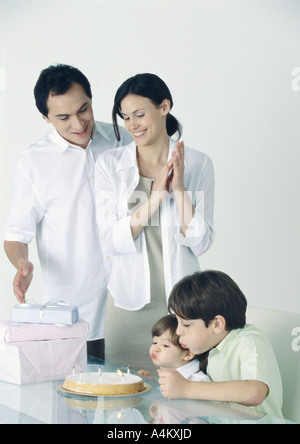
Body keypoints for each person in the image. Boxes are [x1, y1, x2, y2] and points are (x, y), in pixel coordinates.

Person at [3, 64, 132, 359]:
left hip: (129, 306)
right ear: (46, 118)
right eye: (63, 117)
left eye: (83, 109)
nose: (78, 123)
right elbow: (15, 235)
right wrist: (22, 263)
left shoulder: (123, 139)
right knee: (74, 401)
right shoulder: (33, 163)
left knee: (137, 398)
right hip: (73, 316)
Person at [95, 73, 215, 369]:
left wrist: (179, 190)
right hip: (128, 307)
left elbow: (201, 242)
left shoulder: (198, 163)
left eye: (140, 114)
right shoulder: (110, 165)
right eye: (125, 117)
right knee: (122, 405)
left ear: (164, 107)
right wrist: (156, 198)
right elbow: (110, 240)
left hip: (183, 311)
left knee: (181, 405)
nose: (132, 125)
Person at [158, 270, 283, 418]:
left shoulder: (249, 341)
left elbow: (254, 392)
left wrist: (187, 388)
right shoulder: (209, 345)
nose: (178, 331)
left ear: (217, 324)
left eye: (185, 324)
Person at [138, 315, 210, 383]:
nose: (155, 348)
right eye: (155, 342)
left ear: (187, 354)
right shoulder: (168, 369)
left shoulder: (198, 381)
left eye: (165, 345)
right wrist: (152, 379)